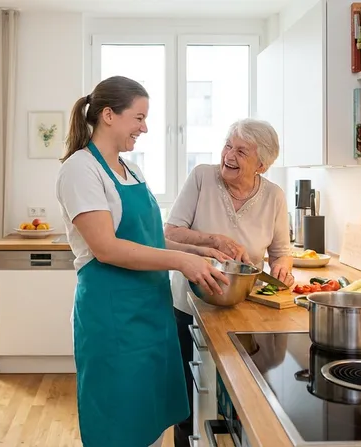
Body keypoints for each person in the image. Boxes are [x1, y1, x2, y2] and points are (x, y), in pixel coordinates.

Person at [55, 75, 231, 447]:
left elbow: (147, 240)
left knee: (150, 424)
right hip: (114, 319)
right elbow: (107, 247)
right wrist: (181, 263)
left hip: (151, 316)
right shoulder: (80, 169)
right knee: (118, 426)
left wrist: (198, 251)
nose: (145, 127)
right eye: (138, 117)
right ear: (108, 115)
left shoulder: (129, 169)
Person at [163, 118, 295, 447]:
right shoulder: (202, 178)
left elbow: (281, 252)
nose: (228, 155)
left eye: (241, 151)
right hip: (191, 305)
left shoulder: (274, 196)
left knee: (239, 401)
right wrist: (213, 239)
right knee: (189, 402)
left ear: (262, 164)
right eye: (227, 145)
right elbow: (170, 233)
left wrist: (282, 269)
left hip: (243, 311)